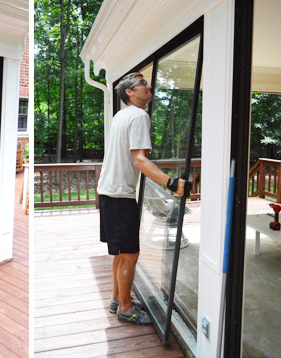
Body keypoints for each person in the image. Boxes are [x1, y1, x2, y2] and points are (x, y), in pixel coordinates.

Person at [97, 72, 191, 325]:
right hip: (119, 195)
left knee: (120, 253)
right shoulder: (139, 115)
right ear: (130, 92)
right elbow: (140, 160)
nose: (148, 86)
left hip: (108, 192)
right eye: (142, 84)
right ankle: (126, 310)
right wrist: (171, 183)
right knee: (130, 254)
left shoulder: (121, 115)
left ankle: (118, 299)